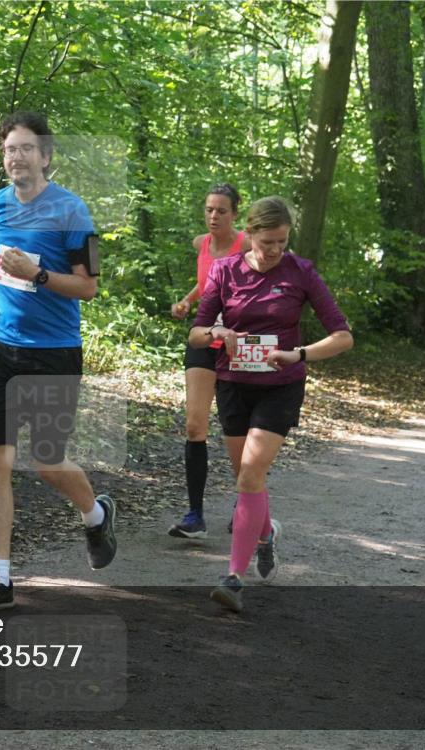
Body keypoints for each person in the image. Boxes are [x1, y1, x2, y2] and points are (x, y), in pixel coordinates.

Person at [0, 111, 115, 614]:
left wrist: (41, 274)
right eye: (9, 149)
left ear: (46, 156)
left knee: (47, 463)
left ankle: (95, 515)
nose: (16, 157)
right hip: (1, 347)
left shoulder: (73, 211)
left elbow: (88, 288)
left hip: (53, 351)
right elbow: (5, 257)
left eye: (26, 148)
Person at [189, 197, 353, 613]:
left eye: (282, 241)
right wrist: (217, 334)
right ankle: (266, 534)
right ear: (251, 233)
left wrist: (300, 353)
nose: (275, 249)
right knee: (247, 478)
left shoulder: (301, 271)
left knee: (250, 473)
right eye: (266, 242)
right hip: (233, 384)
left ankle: (233, 578)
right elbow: (196, 333)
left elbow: (342, 335)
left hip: (280, 384)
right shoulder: (226, 270)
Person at [168, 184, 249, 538]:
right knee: (194, 425)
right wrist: (187, 301)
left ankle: (247, 505)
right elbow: (206, 284)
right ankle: (195, 516)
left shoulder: (246, 244)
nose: (213, 216)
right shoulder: (201, 244)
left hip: (237, 344)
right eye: (209, 209)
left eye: (221, 210)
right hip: (204, 337)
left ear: (235, 214)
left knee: (237, 431)